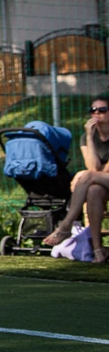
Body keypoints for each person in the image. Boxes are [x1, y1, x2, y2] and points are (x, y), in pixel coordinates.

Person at [41, 95, 109, 261]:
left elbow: (102, 170)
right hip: (101, 183)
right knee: (93, 190)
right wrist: (89, 136)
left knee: (85, 176)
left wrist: (84, 175)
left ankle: (66, 224)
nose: (96, 113)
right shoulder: (86, 138)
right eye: (93, 110)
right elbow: (94, 167)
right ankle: (98, 251)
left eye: (102, 110)